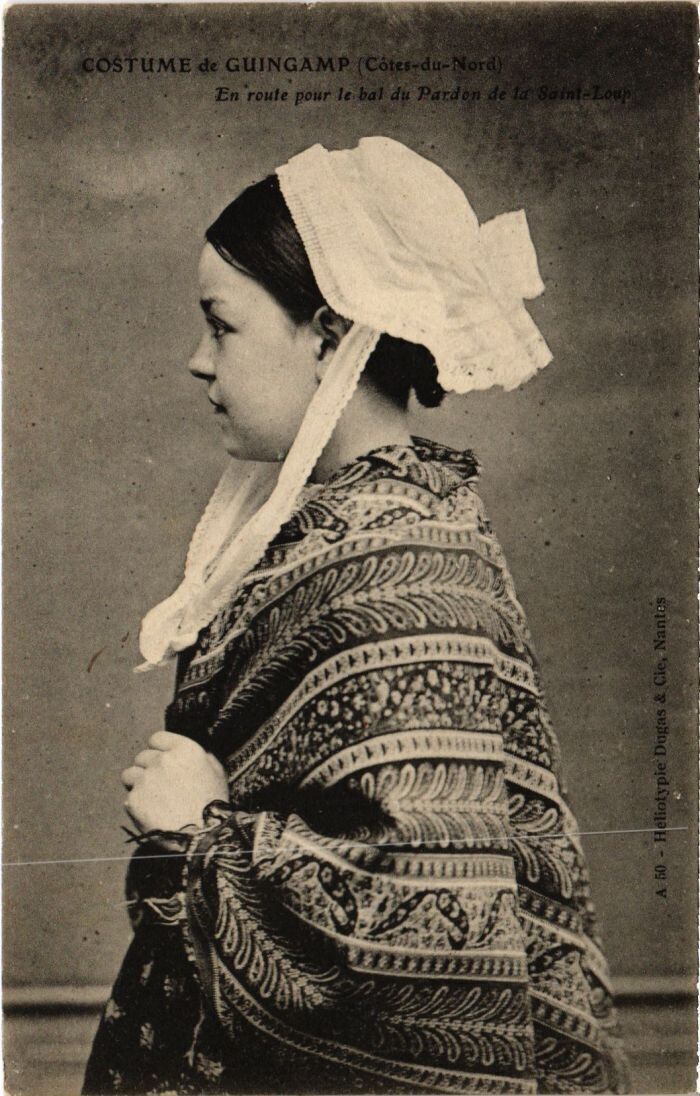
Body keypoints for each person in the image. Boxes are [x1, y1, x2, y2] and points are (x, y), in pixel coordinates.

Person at [83, 136, 629, 1095]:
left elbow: (416, 925)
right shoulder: (349, 528)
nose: (198, 362)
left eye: (222, 326)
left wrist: (202, 831)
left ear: (331, 334)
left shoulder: (397, 559)